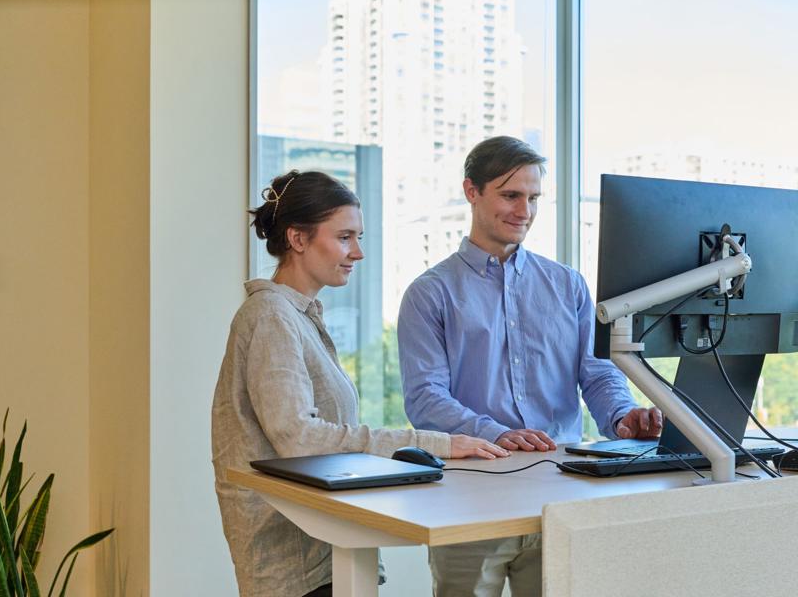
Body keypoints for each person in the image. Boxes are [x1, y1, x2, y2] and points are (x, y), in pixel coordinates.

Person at [212, 169, 509, 597]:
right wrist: (435, 443)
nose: (358, 252)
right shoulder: (272, 316)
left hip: (320, 548)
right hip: (292, 560)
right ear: (298, 239)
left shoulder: (298, 316)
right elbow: (301, 438)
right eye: (346, 237)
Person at [397, 137, 662, 596]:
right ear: (471, 191)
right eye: (510, 195)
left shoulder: (568, 285)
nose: (524, 210)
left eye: (533, 197)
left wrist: (622, 417)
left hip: (563, 494)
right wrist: (494, 432)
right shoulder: (430, 292)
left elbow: (597, 373)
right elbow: (424, 398)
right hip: (470, 498)